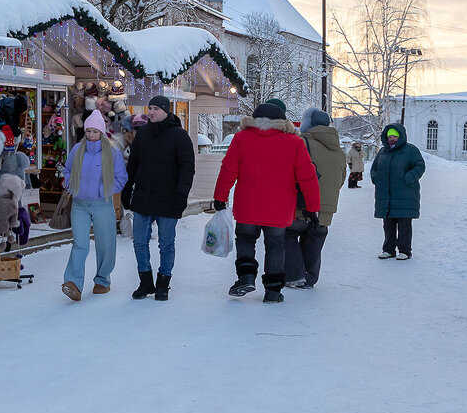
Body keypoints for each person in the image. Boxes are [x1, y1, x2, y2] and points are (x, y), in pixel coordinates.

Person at [212, 99, 320, 303]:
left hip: (248, 207)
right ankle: (273, 290)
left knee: (245, 239)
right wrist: (312, 208)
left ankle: (246, 276)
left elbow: (228, 170)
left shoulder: (241, 138)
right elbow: (308, 177)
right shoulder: (294, 142)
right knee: (276, 246)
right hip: (278, 210)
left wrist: (220, 197)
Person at [123, 95, 195, 301]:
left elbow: (187, 168)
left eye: (155, 108)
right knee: (139, 242)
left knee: (166, 243)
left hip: (169, 197)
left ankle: (164, 282)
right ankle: (145, 281)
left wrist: (182, 193)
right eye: (150, 108)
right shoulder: (143, 134)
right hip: (144, 196)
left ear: (166, 110)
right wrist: (128, 189)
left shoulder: (179, 136)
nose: (151, 112)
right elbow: (133, 165)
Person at [60, 112, 128, 301]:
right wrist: (70, 184)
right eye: (88, 130)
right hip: (79, 204)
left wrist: (103, 190)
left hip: (102, 204)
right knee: (79, 244)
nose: (90, 135)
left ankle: (102, 281)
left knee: (105, 244)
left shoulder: (112, 152)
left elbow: (121, 178)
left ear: (102, 131)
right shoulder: (77, 150)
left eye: (95, 131)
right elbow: (67, 170)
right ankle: (73, 283)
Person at [285, 108, 347, 289]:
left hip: (302, 204)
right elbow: (341, 179)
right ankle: (309, 278)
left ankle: (295, 275)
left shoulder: (301, 143)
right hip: (326, 207)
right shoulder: (338, 150)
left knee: (288, 235)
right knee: (315, 238)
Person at [371, 123, 425, 260]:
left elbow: (419, 166)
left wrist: (407, 178)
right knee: (388, 224)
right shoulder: (383, 152)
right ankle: (388, 249)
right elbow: (374, 168)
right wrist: (376, 178)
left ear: (400, 136)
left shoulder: (410, 150)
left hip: (405, 194)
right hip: (386, 195)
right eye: (390, 136)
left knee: (404, 224)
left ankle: (405, 250)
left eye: (395, 136)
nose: (392, 139)